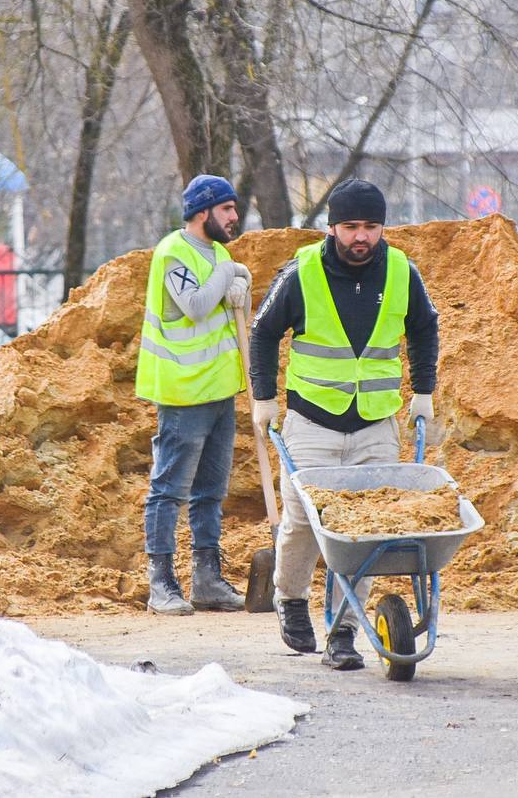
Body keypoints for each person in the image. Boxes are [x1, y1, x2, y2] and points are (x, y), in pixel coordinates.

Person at [248, 179, 439, 670]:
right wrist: (265, 399)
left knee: (363, 536)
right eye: (351, 226)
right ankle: (290, 598)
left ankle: (343, 633)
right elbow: (264, 332)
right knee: (303, 526)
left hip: (376, 423)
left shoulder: (401, 272)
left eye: (371, 227)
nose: (361, 237)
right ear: (331, 227)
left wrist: (422, 392)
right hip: (312, 421)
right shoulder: (302, 273)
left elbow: (423, 328)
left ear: (382, 228)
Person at [135, 174, 251, 615]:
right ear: (203, 212)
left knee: (210, 491)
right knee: (169, 489)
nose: (234, 216)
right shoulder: (172, 253)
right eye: (226, 209)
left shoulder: (218, 253)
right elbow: (197, 306)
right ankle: (161, 583)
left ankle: (207, 579)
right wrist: (227, 276)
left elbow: (221, 310)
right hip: (184, 392)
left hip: (220, 390)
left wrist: (238, 289)